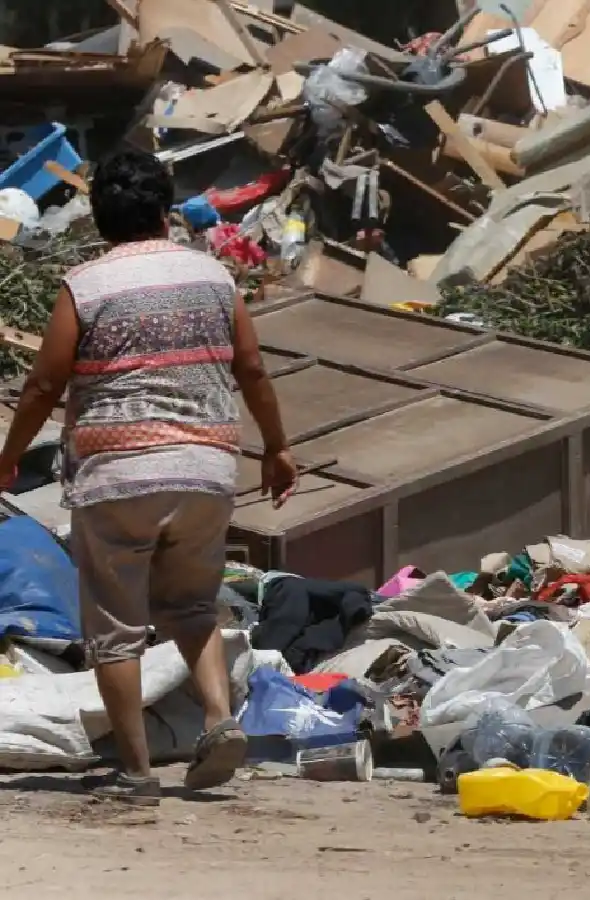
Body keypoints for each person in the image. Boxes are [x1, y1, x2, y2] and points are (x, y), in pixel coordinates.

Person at [0, 149, 298, 806]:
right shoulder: (216, 278)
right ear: (165, 212)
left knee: (115, 627)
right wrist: (276, 450)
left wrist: (9, 455)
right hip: (205, 468)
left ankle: (135, 770)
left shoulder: (87, 286)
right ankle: (220, 720)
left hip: (118, 474)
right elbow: (251, 370)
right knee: (192, 607)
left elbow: (46, 382)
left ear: (100, 218)